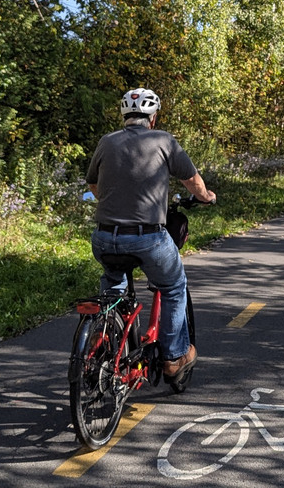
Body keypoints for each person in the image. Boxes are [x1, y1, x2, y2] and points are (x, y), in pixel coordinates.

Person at [86, 88, 216, 381]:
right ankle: (173, 356)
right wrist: (206, 196)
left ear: (124, 116)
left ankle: (103, 334)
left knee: (112, 285)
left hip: (104, 238)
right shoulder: (164, 140)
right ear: (153, 118)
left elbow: (94, 185)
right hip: (147, 238)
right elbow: (191, 179)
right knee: (173, 286)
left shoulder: (107, 142)